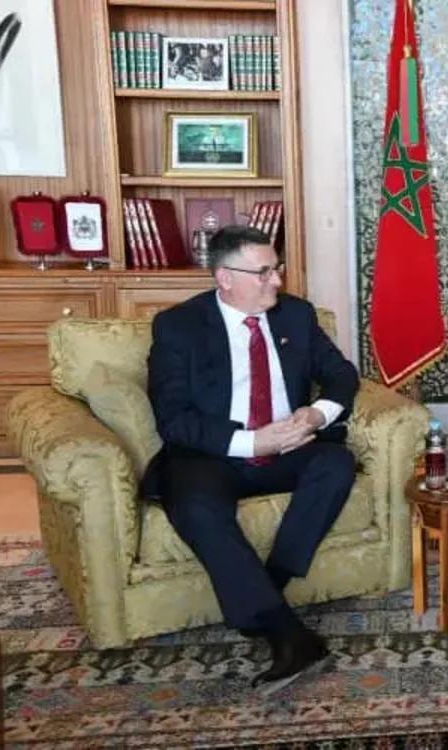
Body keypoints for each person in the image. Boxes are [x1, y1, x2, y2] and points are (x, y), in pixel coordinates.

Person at [141, 225, 360, 687]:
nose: (277, 280)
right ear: (225, 278)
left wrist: (316, 415)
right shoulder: (178, 326)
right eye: (264, 272)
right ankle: (287, 633)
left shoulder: (295, 315)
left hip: (289, 447)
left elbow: (342, 375)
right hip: (213, 455)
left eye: (276, 269)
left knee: (336, 464)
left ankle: (266, 584)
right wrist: (252, 442)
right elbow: (174, 418)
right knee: (193, 503)